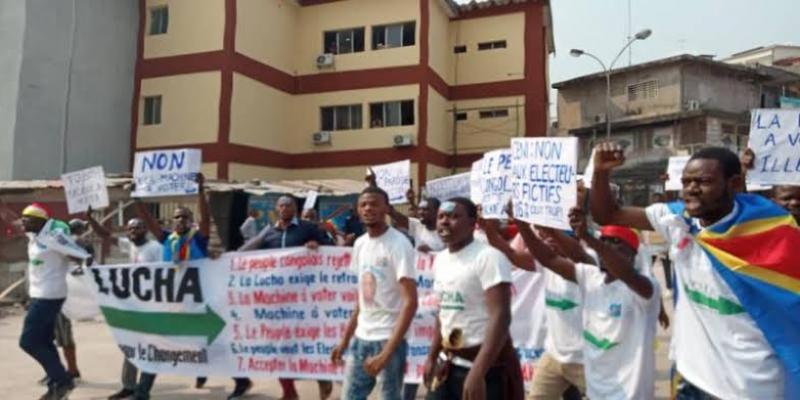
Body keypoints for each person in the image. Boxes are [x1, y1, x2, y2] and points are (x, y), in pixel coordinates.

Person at [590, 144, 798, 399]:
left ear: (733, 184)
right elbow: (607, 214)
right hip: (690, 380)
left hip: (748, 388)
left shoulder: (771, 234)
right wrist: (601, 172)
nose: (691, 189)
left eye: (703, 181)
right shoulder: (678, 221)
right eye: (686, 181)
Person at [517, 207, 659, 400]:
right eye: (605, 242)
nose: (607, 247)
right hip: (596, 392)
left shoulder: (643, 290)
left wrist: (591, 239)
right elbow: (548, 259)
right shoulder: (590, 277)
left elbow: (627, 274)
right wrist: (522, 223)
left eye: (616, 243)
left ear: (632, 255)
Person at [133, 174, 250, 400]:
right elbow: (149, 222)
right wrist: (137, 199)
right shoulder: (167, 239)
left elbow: (206, 219)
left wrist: (200, 191)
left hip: (198, 304)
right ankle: (142, 392)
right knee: (158, 346)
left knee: (214, 347)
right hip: (173, 304)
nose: (179, 220)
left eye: (184, 217)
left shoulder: (198, 238)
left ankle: (241, 380)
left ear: (190, 220)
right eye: (176, 217)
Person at [423, 198, 523, 400]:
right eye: (441, 216)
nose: (444, 221)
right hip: (448, 364)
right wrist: (432, 356)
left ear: (472, 223)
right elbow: (443, 313)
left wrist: (478, 372)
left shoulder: (489, 257)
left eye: (453, 216)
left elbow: (501, 316)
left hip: (486, 369)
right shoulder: (441, 260)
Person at [483, 212, 588, 400]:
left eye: (559, 239)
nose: (550, 243)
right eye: (546, 239)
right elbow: (511, 254)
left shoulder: (588, 272)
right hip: (553, 357)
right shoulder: (546, 264)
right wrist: (489, 229)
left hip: (584, 360)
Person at [240, 194, 333, 400]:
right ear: (276, 208)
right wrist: (225, 259)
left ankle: (323, 377)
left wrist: (315, 246)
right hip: (277, 301)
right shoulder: (269, 232)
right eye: (280, 205)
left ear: (295, 209)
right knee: (279, 345)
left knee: (308, 343)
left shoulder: (307, 229)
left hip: (305, 298)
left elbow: (330, 250)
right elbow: (246, 251)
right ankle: (289, 392)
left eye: (288, 205)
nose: (284, 208)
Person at [330, 186, 418, 400]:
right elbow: (361, 300)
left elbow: (410, 302)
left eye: (374, 203)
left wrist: (387, 352)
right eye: (363, 204)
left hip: (388, 340)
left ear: (387, 208)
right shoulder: (360, 244)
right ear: (358, 210)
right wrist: (345, 341)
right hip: (361, 338)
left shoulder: (398, 244)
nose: (368, 208)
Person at [85, 212, 163, 400]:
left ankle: (142, 391)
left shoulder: (155, 248)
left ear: (145, 230)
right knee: (131, 345)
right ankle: (129, 386)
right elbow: (106, 236)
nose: (133, 231)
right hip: (135, 305)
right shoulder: (131, 246)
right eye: (130, 228)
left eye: (138, 227)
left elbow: (164, 274)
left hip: (152, 306)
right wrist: (91, 220)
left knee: (149, 348)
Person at [19, 202, 90, 400]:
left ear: (40, 222)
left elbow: (80, 254)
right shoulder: (34, 237)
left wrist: (84, 260)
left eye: (28, 218)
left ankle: (63, 381)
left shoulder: (53, 238)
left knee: (28, 342)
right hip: (39, 296)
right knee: (45, 341)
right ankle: (55, 384)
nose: (23, 220)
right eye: (23, 216)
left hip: (49, 297)